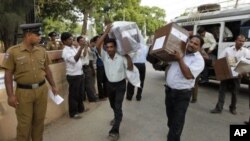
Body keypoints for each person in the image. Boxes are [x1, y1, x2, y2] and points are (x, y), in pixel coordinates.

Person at [2, 23, 58, 141]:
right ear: (28, 35)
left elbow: (47, 70)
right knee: (24, 125)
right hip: (23, 93)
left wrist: (53, 85)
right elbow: (8, 75)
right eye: (37, 35)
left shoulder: (42, 51)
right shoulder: (13, 51)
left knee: (39, 122)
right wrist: (10, 95)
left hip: (42, 90)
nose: (40, 37)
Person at [96, 24, 133, 141]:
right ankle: (117, 116)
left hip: (120, 85)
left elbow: (131, 68)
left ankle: (115, 130)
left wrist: (128, 57)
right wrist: (106, 32)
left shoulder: (122, 57)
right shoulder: (104, 56)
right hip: (109, 85)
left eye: (111, 47)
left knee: (117, 106)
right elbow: (97, 45)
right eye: (107, 47)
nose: (109, 49)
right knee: (112, 105)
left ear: (115, 48)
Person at [165, 35, 205, 141]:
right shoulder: (180, 51)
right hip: (169, 91)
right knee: (171, 120)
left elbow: (188, 75)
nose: (192, 44)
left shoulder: (199, 60)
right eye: (191, 42)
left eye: (196, 44)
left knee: (177, 122)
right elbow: (165, 61)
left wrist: (180, 59)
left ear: (200, 48)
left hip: (182, 95)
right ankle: (173, 136)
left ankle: (173, 137)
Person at [210, 34, 250, 115]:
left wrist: (242, 72)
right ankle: (219, 108)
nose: (241, 42)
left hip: (237, 75)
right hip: (226, 73)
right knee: (222, 91)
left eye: (243, 41)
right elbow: (220, 60)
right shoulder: (228, 50)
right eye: (239, 40)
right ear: (235, 41)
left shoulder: (246, 51)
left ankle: (233, 108)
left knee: (235, 93)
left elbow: (247, 64)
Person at [61, 32, 87, 119]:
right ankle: (73, 113)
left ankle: (80, 109)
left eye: (72, 38)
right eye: (69, 39)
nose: (72, 40)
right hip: (73, 75)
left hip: (79, 73)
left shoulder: (73, 48)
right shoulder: (65, 51)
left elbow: (82, 55)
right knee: (74, 95)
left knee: (80, 93)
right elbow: (74, 60)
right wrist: (81, 48)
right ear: (64, 41)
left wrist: (81, 47)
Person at [77, 36, 97, 102]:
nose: (83, 41)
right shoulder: (78, 49)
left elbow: (92, 54)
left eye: (84, 40)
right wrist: (85, 47)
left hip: (87, 67)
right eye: (81, 41)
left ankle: (91, 97)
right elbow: (84, 55)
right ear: (78, 42)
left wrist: (89, 46)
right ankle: (91, 98)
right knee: (86, 84)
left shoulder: (87, 47)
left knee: (89, 83)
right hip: (82, 68)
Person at [90, 36, 108, 100]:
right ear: (95, 42)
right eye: (98, 40)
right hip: (99, 65)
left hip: (105, 65)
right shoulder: (95, 48)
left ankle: (106, 94)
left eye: (101, 39)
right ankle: (101, 95)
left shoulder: (104, 47)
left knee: (106, 81)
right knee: (100, 82)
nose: (100, 40)